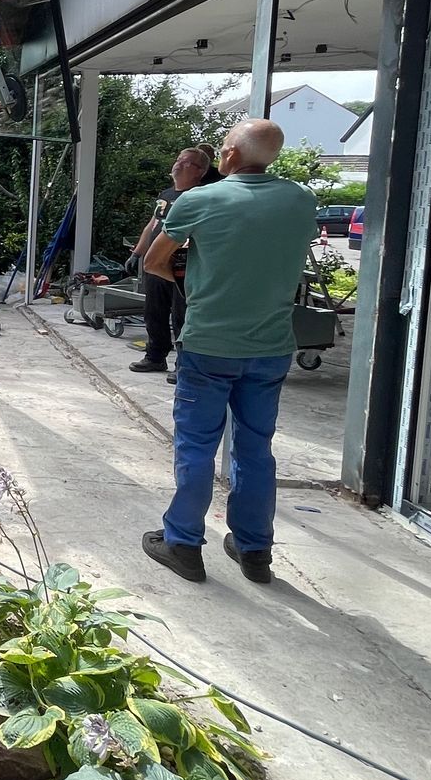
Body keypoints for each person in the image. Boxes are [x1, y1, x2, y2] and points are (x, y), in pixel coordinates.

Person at [138, 119, 316, 585]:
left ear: (233, 153)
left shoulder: (201, 199)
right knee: (255, 449)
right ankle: (255, 550)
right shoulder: (301, 200)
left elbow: (155, 260)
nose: (219, 155)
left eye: (222, 149)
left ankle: (182, 544)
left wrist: (196, 288)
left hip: (210, 344)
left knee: (196, 445)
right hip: (272, 346)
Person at [126, 147, 212, 375]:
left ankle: (182, 365)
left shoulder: (201, 197)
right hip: (156, 263)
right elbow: (152, 225)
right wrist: (137, 253)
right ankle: (155, 356)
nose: (179, 164)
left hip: (183, 265)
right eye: (179, 159)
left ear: (200, 171)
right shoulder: (166, 195)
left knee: (182, 315)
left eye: (187, 162)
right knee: (154, 312)